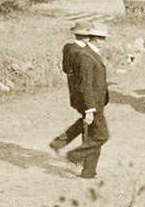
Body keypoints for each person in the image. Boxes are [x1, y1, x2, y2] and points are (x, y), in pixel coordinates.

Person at [49, 21, 110, 180]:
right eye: (102, 39)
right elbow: (85, 84)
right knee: (100, 136)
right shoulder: (85, 56)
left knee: (91, 132)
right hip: (91, 102)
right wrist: (89, 109)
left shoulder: (84, 52)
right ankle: (74, 157)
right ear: (94, 38)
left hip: (92, 100)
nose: (104, 42)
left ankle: (88, 170)